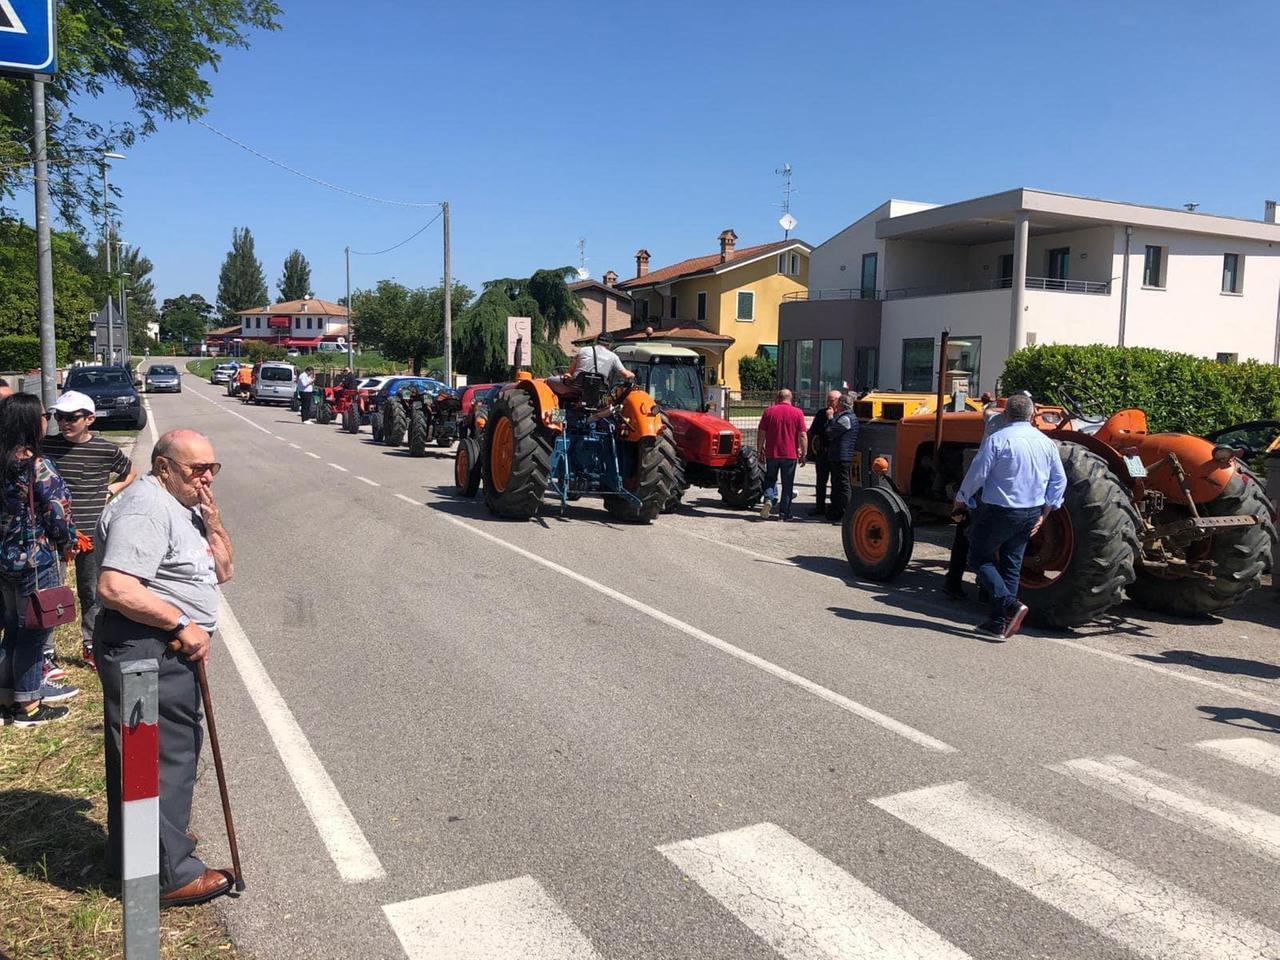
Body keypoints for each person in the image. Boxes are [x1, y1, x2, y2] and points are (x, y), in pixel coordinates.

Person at [96, 429, 235, 907]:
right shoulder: (146, 506)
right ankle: (167, 875)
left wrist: (213, 521)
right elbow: (115, 587)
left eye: (211, 469)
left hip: (163, 647)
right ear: (163, 467)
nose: (205, 479)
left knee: (151, 755)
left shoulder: (184, 506)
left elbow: (224, 571)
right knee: (156, 759)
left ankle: (138, 856)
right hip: (146, 646)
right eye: (196, 469)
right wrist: (182, 622)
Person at [955, 393, 1066, 638]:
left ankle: (1010, 605)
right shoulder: (1046, 442)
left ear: (1005, 415)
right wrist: (1046, 512)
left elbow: (977, 473)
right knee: (1011, 566)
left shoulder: (997, 439)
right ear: (1032, 416)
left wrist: (962, 497)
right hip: (1031, 513)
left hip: (1001, 512)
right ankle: (999, 623)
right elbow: (1059, 480)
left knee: (979, 558)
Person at [0, 394, 81, 727]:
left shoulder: (3, 463)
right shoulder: (37, 465)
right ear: (31, 422)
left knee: (13, 629)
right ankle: (30, 704)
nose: (48, 420)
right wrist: (70, 542)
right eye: (44, 415)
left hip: (4, 560)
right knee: (35, 631)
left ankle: (7, 693)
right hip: (36, 560)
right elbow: (58, 513)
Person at [43, 391, 137, 668]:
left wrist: (112, 488)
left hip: (89, 534)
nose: (64, 423)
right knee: (49, 591)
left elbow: (129, 470)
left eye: (71, 417)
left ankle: (91, 644)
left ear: (90, 419)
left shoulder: (105, 450)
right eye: (59, 417)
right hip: (53, 534)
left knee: (92, 591)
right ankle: (45, 651)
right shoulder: (47, 446)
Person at [756, 389, 807, 521]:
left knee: (770, 478)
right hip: (790, 454)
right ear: (791, 398)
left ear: (778, 398)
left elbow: (761, 432)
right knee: (787, 484)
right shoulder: (798, 413)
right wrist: (804, 452)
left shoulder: (769, 411)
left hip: (772, 452)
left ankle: (768, 498)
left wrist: (759, 448)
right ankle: (784, 514)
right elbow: (802, 435)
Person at [826, 394, 860, 520]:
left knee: (843, 485)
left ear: (841, 404)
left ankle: (845, 513)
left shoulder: (846, 419)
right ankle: (837, 510)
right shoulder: (850, 417)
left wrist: (830, 418)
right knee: (837, 484)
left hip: (841, 456)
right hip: (841, 456)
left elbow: (831, 432)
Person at [808, 390, 841, 518]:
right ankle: (819, 507)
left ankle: (833, 506)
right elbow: (814, 430)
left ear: (838, 401)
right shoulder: (822, 413)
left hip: (836, 452)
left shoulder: (841, 415)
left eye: (831, 400)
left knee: (835, 481)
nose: (829, 403)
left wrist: (831, 419)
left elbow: (835, 433)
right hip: (823, 451)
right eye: (827, 400)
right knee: (820, 481)